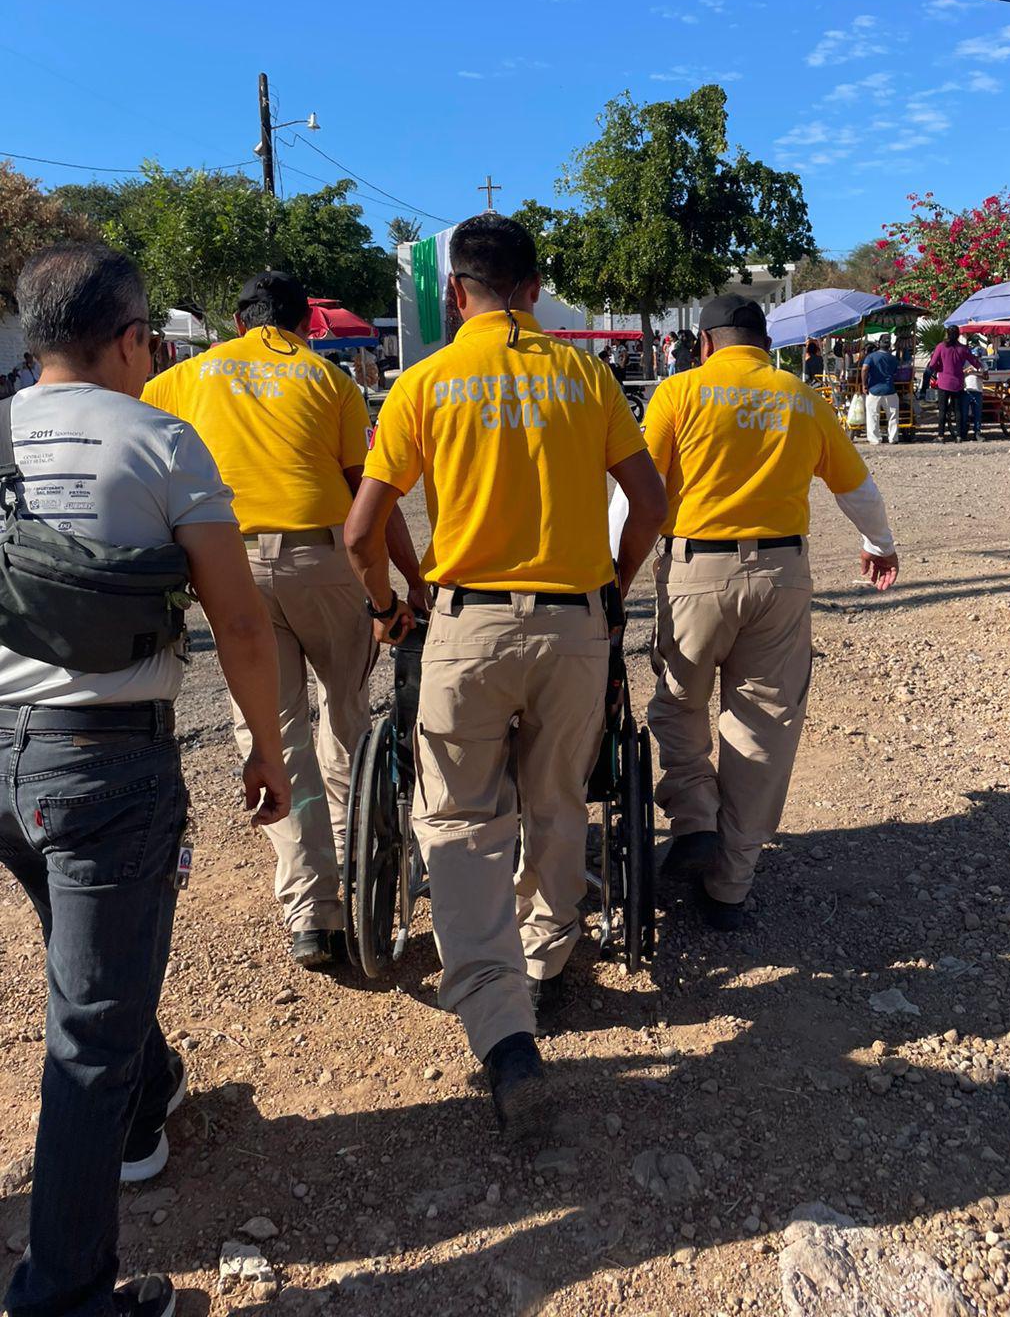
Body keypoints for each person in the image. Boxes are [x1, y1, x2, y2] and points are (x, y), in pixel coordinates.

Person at [0, 244, 290, 1317]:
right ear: (130, 340)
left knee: (92, 968)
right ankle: (65, 1297)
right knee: (87, 1028)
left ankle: (142, 1105)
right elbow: (242, 621)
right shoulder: (163, 439)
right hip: (101, 760)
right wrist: (267, 747)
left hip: (1, 755)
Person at [344, 214, 666, 1135]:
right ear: (534, 289)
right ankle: (545, 957)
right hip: (574, 626)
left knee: (457, 816)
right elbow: (649, 502)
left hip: (467, 625)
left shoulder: (427, 380)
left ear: (456, 294)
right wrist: (612, 587)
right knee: (560, 799)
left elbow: (363, 532)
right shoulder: (587, 376)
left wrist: (388, 605)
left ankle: (500, 1025)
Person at [144, 271, 416, 971]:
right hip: (320, 558)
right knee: (346, 712)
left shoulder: (183, 378)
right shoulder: (327, 382)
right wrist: (408, 583)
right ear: (305, 325)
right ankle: (364, 864)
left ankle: (312, 911)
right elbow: (367, 498)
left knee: (273, 728)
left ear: (239, 322)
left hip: (226, 564)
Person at [642, 295, 898, 932]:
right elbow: (856, 487)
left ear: (704, 343)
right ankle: (731, 886)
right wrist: (879, 544)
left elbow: (639, 494)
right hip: (782, 575)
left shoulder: (679, 394)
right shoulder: (803, 398)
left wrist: (609, 574)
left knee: (678, 702)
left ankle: (695, 815)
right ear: (766, 342)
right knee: (764, 723)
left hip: (694, 571)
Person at [928, 325, 972, 442]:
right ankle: (958, 436)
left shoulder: (941, 347)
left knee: (943, 410)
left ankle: (941, 436)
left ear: (947, 333)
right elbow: (974, 361)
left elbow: (932, 364)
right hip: (958, 383)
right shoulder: (963, 348)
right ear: (958, 335)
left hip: (943, 382)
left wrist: (938, 368)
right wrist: (982, 368)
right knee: (958, 410)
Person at [861, 332, 900, 445]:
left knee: (873, 415)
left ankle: (874, 439)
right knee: (893, 416)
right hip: (890, 390)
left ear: (879, 344)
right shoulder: (893, 359)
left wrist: (864, 385)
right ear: (889, 346)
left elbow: (864, 369)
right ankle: (893, 438)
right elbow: (895, 372)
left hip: (874, 390)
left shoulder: (871, 357)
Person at [962, 341, 987, 441]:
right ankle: (963, 432)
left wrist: (976, 373)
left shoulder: (982, 364)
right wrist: (967, 371)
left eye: (977, 356)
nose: (976, 358)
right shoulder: (965, 363)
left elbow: (986, 376)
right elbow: (960, 373)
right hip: (966, 390)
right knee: (964, 413)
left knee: (977, 414)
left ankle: (977, 432)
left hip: (978, 391)